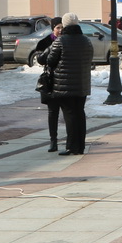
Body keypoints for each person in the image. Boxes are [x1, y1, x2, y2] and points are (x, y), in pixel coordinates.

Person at [42, 12, 93, 156]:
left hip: (64, 86)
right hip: (82, 85)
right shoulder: (86, 40)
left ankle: (71, 147)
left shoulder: (60, 41)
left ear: (64, 25)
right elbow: (89, 59)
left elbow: (50, 60)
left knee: (70, 116)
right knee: (80, 114)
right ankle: (80, 146)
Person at [33, 17, 64, 152]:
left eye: (62, 27)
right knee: (53, 113)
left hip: (64, 81)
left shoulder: (67, 41)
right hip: (51, 81)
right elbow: (40, 59)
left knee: (67, 112)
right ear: (52, 29)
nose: (60, 30)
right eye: (58, 27)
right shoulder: (45, 42)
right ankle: (53, 140)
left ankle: (71, 140)